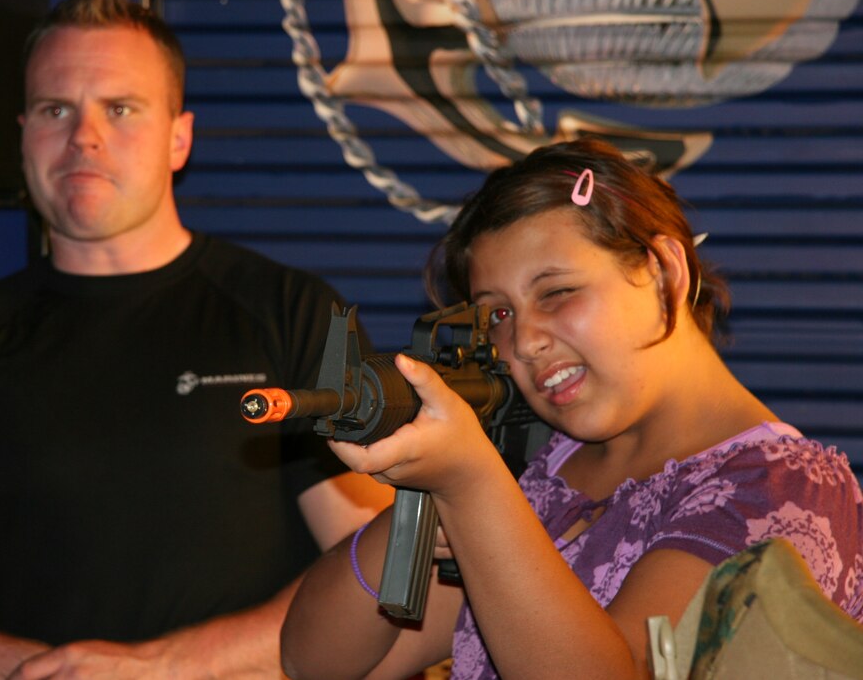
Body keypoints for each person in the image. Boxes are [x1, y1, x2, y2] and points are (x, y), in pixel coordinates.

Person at [0, 0, 391, 678]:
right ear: (22, 131)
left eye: (121, 109)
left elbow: (378, 572)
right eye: (56, 109)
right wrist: (49, 672)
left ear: (180, 137)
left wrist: (163, 669)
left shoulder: (290, 315)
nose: (84, 135)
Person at [280, 138, 863, 679]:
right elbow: (319, 661)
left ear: (665, 271)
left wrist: (472, 483)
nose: (526, 341)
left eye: (557, 292)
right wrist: (424, 489)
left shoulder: (783, 490)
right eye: (499, 314)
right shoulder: (548, 470)